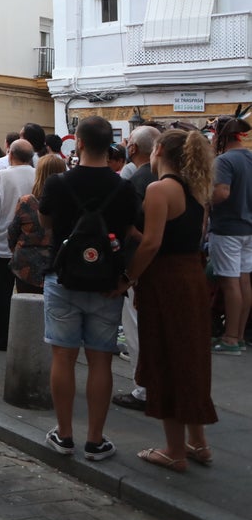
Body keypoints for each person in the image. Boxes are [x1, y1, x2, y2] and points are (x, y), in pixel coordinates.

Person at [39, 115, 137, 461]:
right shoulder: (124, 187)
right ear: (109, 145)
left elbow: (46, 223)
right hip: (107, 285)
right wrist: (128, 278)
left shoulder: (57, 184)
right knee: (101, 362)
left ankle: (64, 435)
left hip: (62, 277)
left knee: (63, 358)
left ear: (77, 143)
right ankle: (95, 440)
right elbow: (131, 234)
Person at [120, 129, 217, 471]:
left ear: (158, 149)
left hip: (166, 282)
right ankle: (198, 442)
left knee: (166, 360)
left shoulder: (159, 189)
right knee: (190, 358)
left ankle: (175, 451)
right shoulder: (197, 190)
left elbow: (152, 244)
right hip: (191, 278)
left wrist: (128, 278)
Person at [113, 125, 159, 412]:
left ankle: (144, 388)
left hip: (139, 264)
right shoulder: (167, 177)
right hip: (164, 265)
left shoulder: (139, 182)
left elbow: (131, 228)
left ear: (132, 149)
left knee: (136, 326)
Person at [0, 139, 36, 351]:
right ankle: (26, 337)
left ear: (10, 154)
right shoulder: (37, 174)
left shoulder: (3, 176)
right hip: (29, 243)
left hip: (3, 242)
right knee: (27, 293)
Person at [209, 116, 252, 355]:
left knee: (230, 283)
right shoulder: (250, 157)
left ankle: (230, 338)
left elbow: (222, 192)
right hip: (248, 228)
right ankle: (240, 335)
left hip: (228, 230)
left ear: (221, 136)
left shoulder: (224, 161)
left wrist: (205, 198)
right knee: (244, 281)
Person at [8, 155, 66, 296]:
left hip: (26, 267)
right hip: (59, 266)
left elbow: (12, 233)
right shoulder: (68, 204)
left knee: (27, 311)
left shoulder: (27, 202)